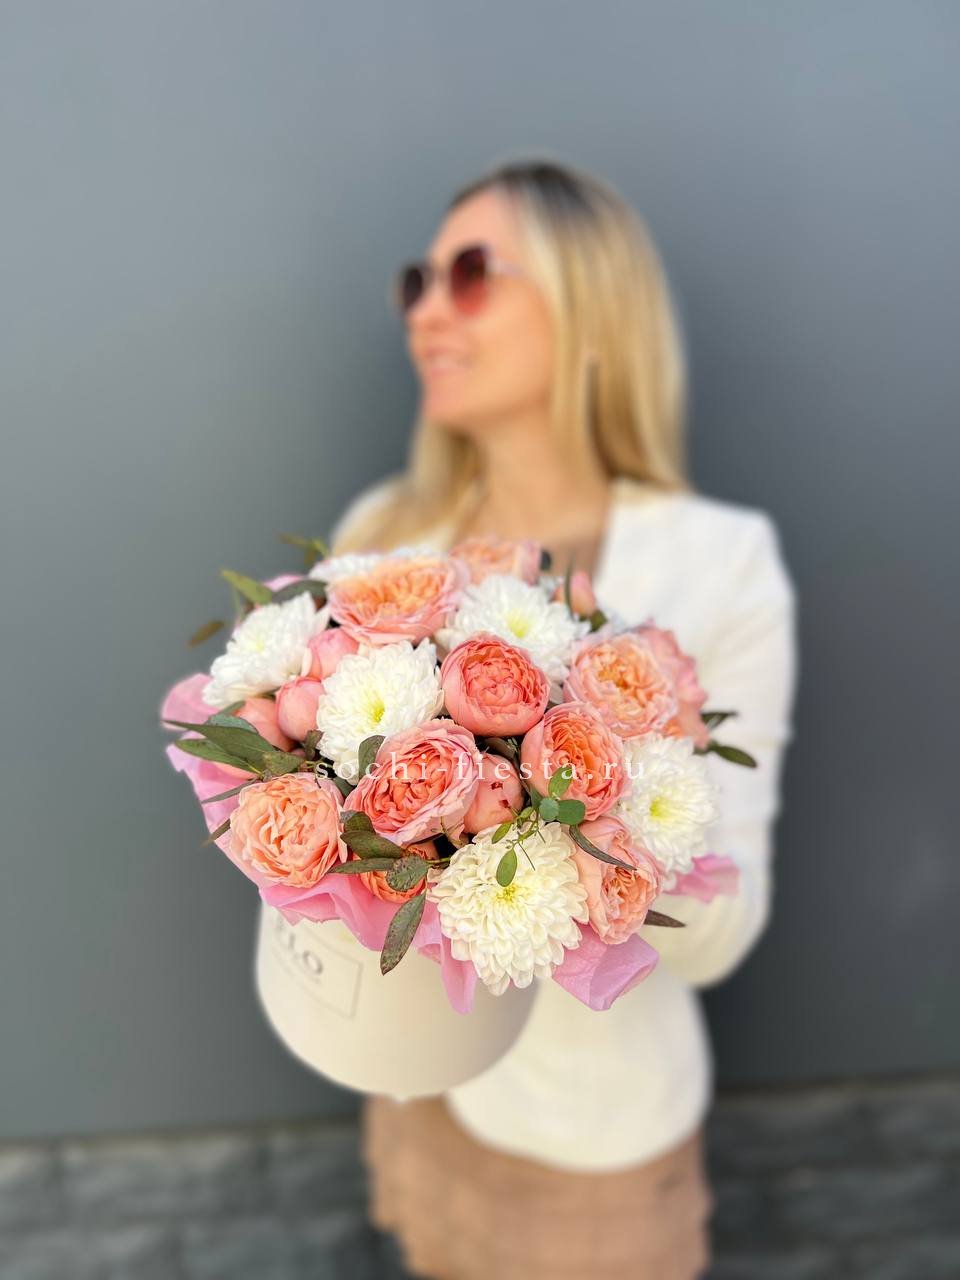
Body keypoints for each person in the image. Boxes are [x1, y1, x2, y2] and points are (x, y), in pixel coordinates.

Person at [327, 158, 798, 1280]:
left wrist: (600, 774)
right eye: (417, 282)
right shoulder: (386, 534)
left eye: (471, 274)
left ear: (589, 304)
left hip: (591, 1136)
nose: (426, 312)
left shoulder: (722, 563)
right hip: (419, 1084)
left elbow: (725, 934)